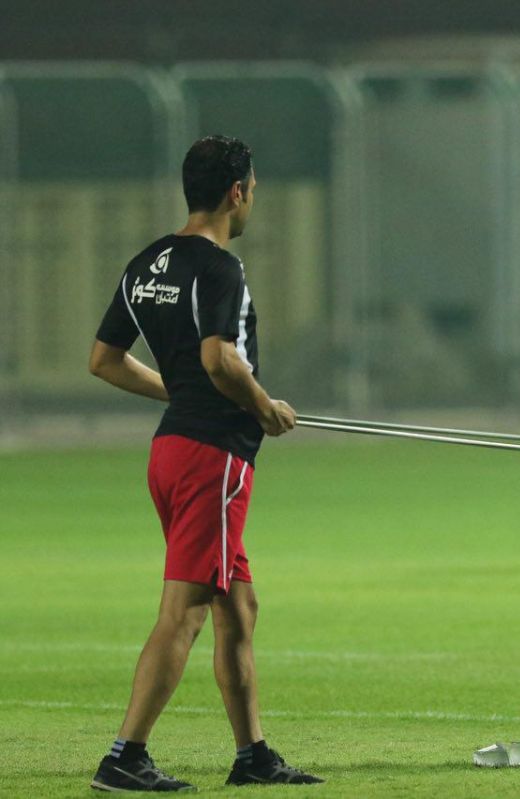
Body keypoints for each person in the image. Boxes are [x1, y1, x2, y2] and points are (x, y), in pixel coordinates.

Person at [87, 135, 322, 791]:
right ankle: (124, 756)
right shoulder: (221, 268)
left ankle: (253, 756)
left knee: (237, 607)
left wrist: (182, 391)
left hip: (172, 452)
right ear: (236, 192)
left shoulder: (146, 263)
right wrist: (262, 405)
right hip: (211, 460)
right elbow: (220, 359)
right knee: (185, 611)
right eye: (253, 191)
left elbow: (103, 360)